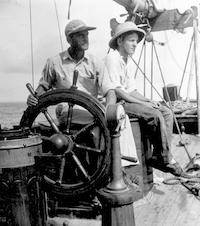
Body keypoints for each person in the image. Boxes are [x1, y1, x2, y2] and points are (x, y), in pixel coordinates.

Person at [26, 19, 138, 168]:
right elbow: (43, 87)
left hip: (92, 110)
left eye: (86, 35)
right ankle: (103, 170)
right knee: (101, 125)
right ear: (69, 39)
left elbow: (109, 91)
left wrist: (108, 110)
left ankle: (120, 167)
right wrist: (34, 97)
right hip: (68, 111)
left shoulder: (96, 63)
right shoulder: (54, 62)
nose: (86, 39)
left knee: (118, 116)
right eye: (80, 35)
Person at [104, 21, 183, 178]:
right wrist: (143, 104)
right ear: (120, 41)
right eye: (131, 41)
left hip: (127, 101)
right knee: (154, 115)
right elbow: (117, 91)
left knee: (166, 112)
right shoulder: (112, 58)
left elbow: (132, 90)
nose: (135, 45)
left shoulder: (128, 61)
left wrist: (149, 100)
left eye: (136, 41)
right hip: (116, 105)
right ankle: (164, 159)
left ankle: (160, 156)